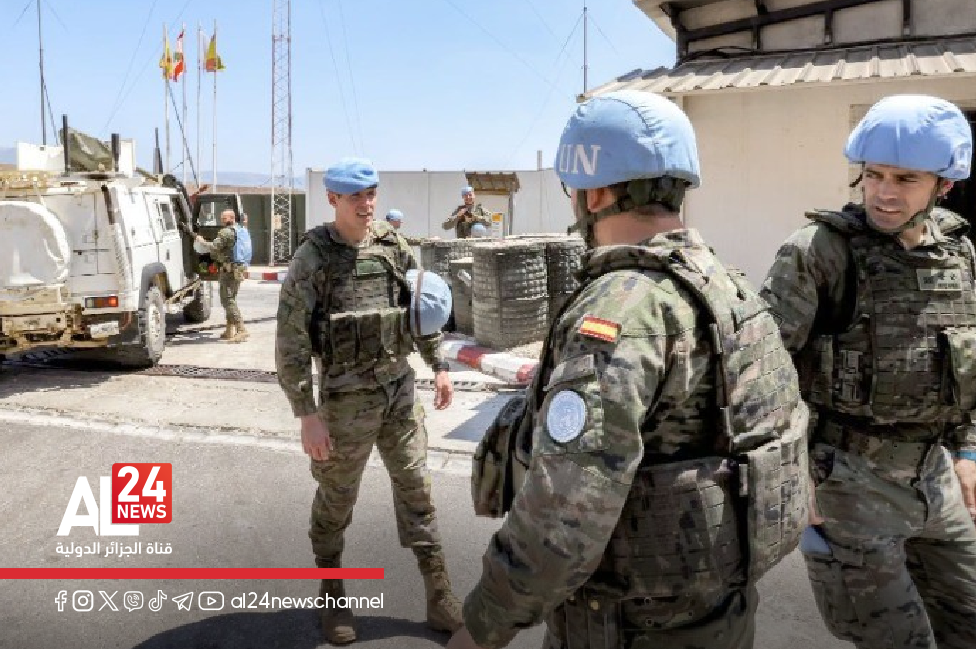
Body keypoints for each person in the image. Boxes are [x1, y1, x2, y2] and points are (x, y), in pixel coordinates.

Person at [453, 90, 809, 649]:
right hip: (721, 615)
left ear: (594, 193)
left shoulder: (621, 308)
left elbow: (564, 516)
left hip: (624, 628)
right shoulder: (729, 287)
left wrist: (482, 625)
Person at [760, 94, 976, 649]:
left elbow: (967, 363)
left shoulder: (959, 254)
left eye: (905, 179)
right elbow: (762, 375)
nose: (884, 192)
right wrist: (792, 477)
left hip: (935, 479)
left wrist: (969, 452)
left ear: (943, 186)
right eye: (874, 175)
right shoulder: (820, 252)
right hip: (850, 484)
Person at [275, 158, 464, 645]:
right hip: (343, 402)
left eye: (371, 194)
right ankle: (332, 590)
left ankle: (439, 594)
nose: (367, 204)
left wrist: (439, 364)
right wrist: (306, 415)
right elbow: (291, 342)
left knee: (418, 489)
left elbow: (419, 308)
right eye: (355, 196)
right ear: (332, 199)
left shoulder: (392, 245)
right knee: (337, 497)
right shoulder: (313, 257)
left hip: (398, 392)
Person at [195, 208, 250, 342]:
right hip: (238, 269)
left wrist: (200, 240)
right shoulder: (241, 230)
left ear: (231, 218)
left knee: (227, 300)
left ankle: (241, 329)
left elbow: (214, 247)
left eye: (224, 218)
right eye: (222, 218)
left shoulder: (226, 232)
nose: (223, 221)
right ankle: (229, 330)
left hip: (229, 271)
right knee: (231, 299)